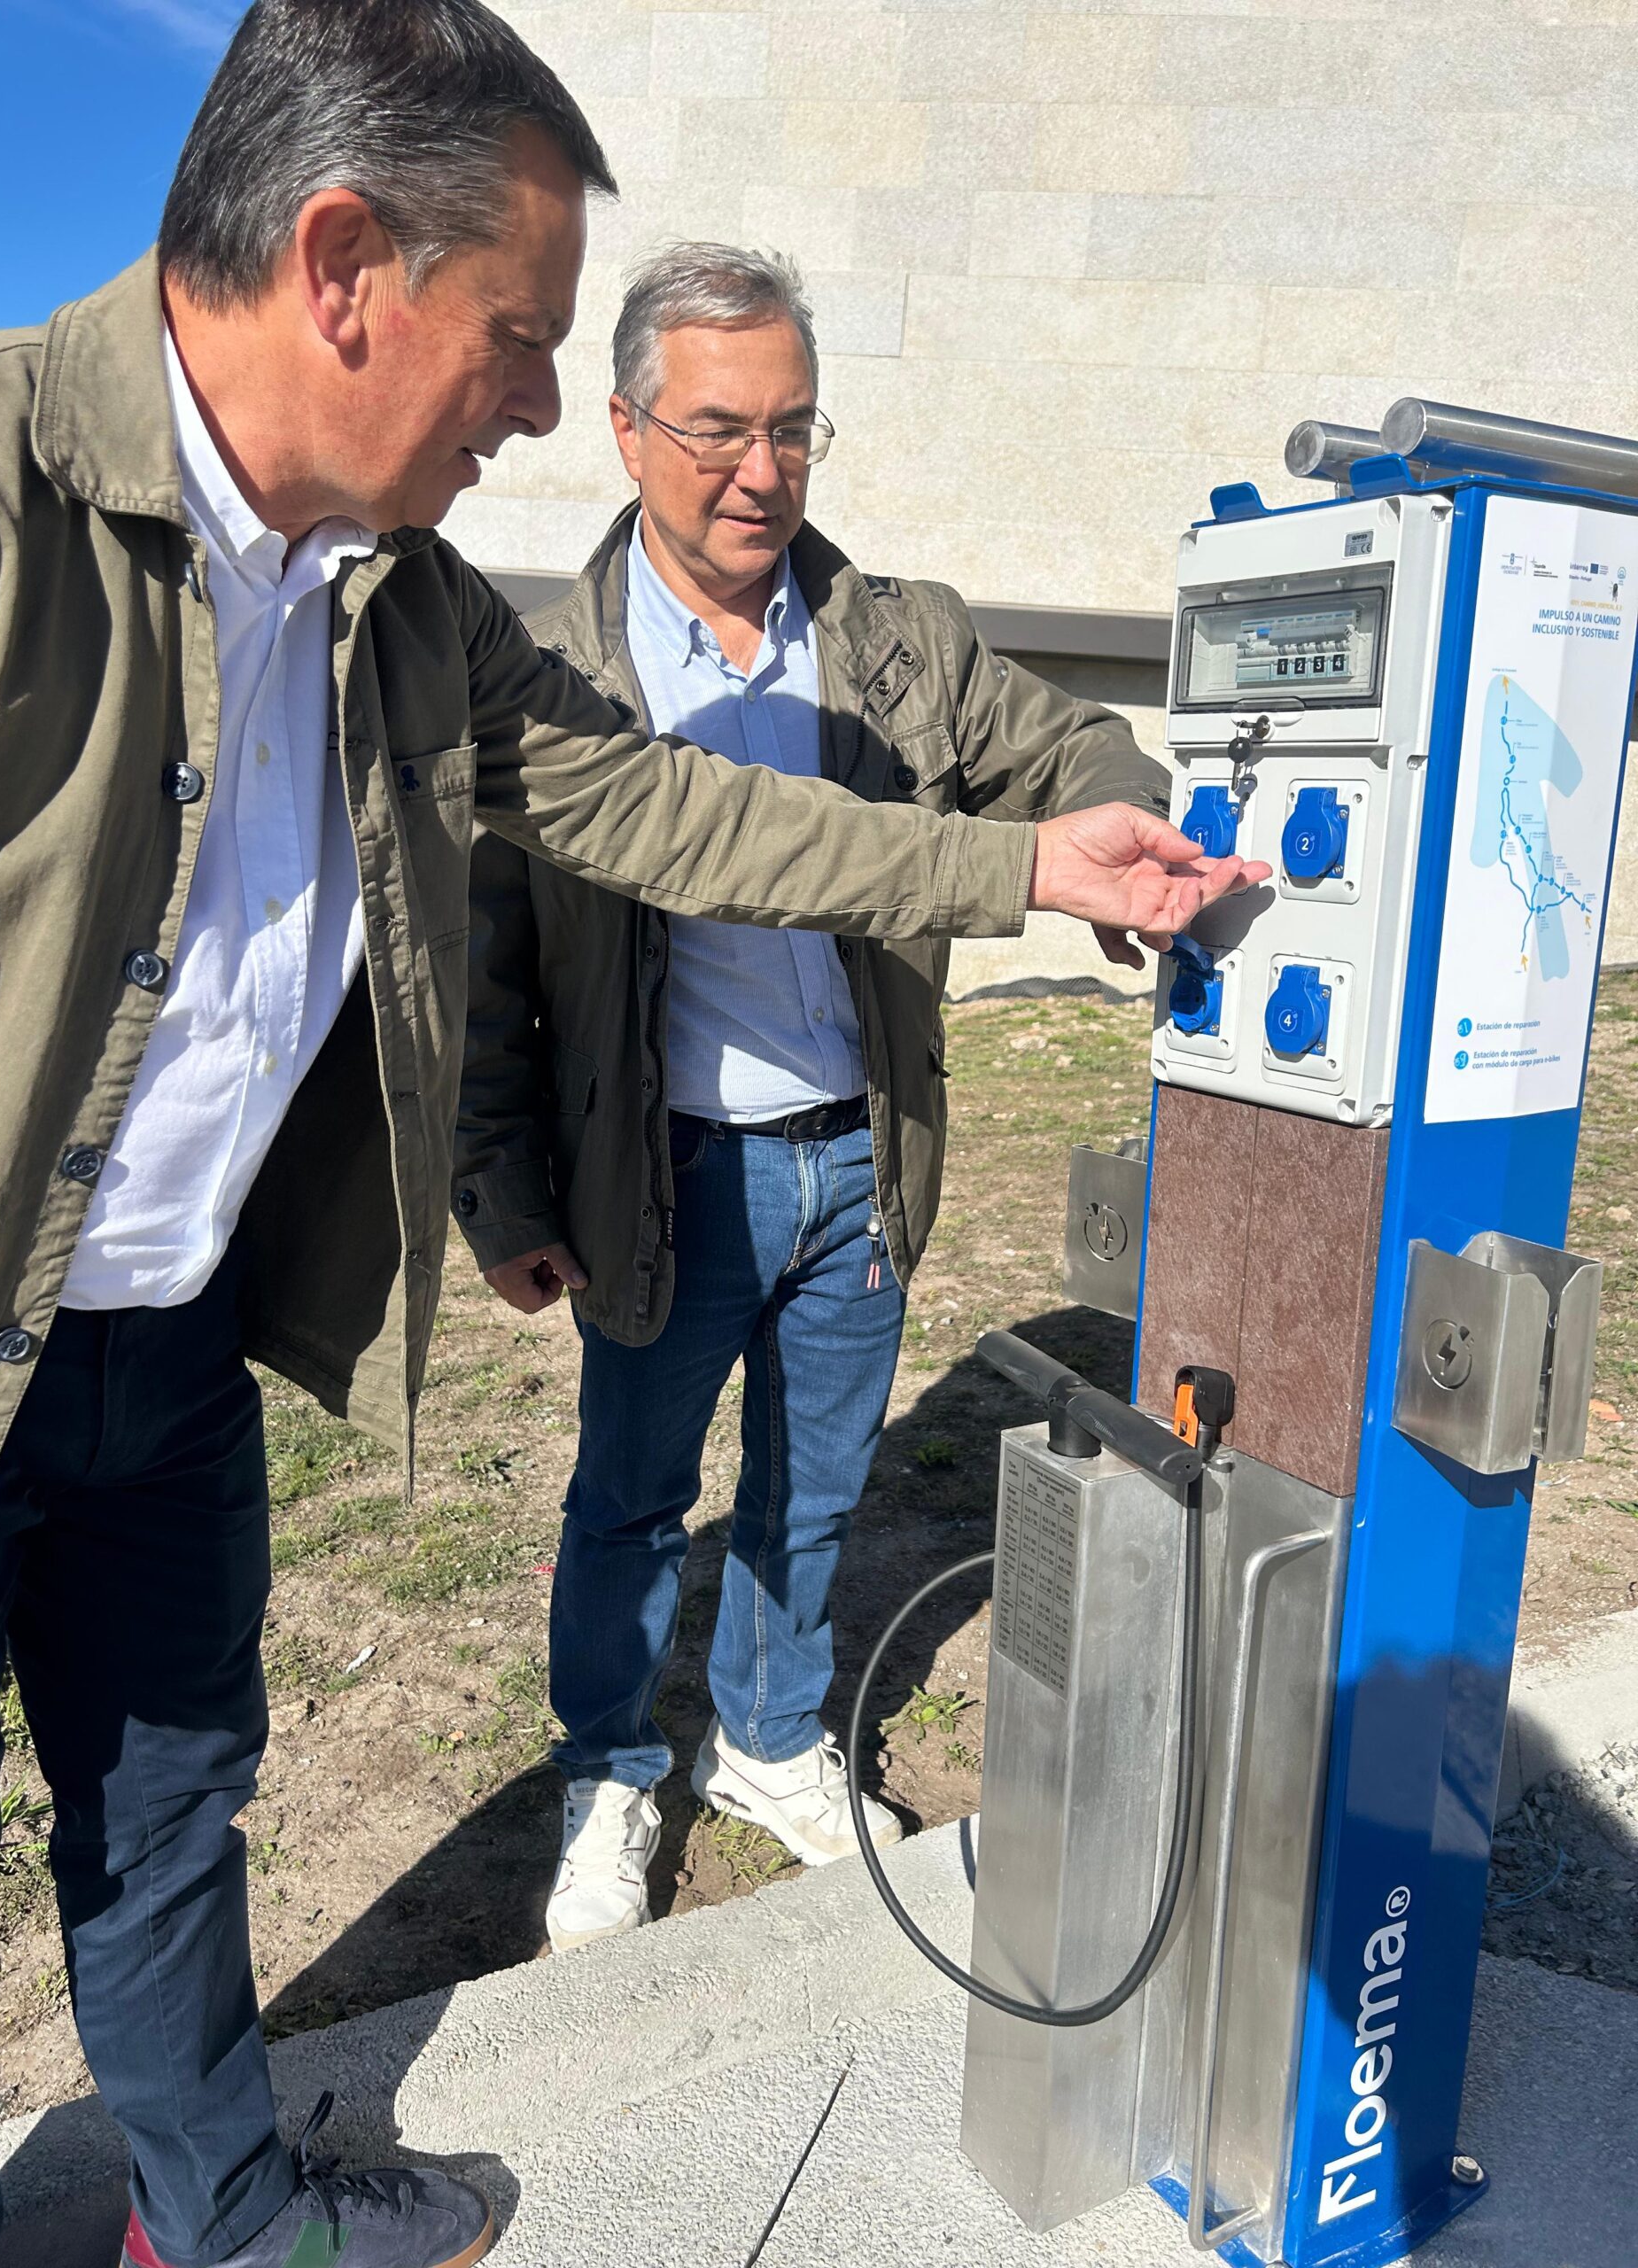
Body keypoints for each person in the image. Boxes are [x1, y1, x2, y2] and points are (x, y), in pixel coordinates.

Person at [0, 7, 1266, 2267]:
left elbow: (676, 803)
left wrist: (1033, 868)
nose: (540, 406)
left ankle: (227, 2223)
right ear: (343, 261)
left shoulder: (409, 614)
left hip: (158, 1363)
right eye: (524, 340)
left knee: (175, 1813)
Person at [454, 244, 1176, 1955]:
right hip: (662, 1180)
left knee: (816, 1488)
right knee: (629, 1499)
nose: (761, 474)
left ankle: (773, 1743)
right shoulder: (553, 675)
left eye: (794, 429)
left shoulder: (894, 640)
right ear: (623, 431)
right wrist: (501, 1190)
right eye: (717, 430)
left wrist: (1136, 813)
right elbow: (491, 969)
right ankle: (615, 1771)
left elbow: (1069, 751)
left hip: (858, 1156)